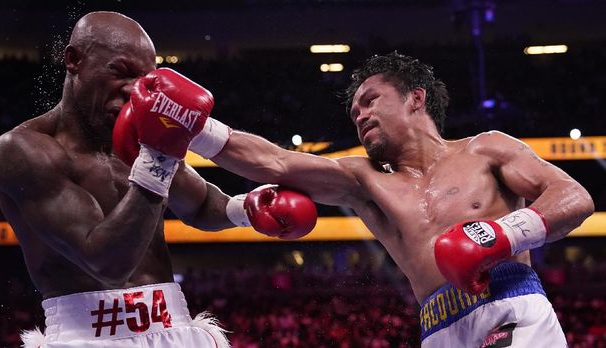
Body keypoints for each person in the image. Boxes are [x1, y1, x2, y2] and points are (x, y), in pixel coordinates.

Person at [139, 52, 595, 347]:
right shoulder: (364, 180)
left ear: (416, 99)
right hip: (437, 328)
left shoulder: (486, 148)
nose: (360, 115)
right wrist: (191, 123)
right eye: (355, 111)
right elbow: (273, 163)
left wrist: (502, 234)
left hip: (510, 305)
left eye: (371, 100)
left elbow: (573, 197)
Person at [0, 11, 316, 348]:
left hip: (176, 326)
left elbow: (200, 204)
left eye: (144, 78)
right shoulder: (23, 151)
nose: (134, 90)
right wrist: (158, 157)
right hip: (87, 337)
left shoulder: (136, 138)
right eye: (121, 72)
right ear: (74, 60)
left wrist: (245, 209)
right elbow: (107, 262)